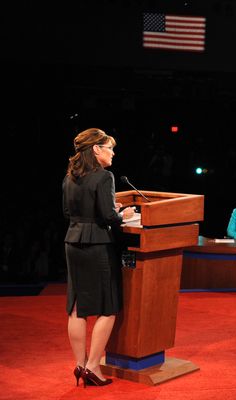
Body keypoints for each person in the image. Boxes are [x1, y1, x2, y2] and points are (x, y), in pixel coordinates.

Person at [63, 128, 135, 387]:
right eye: (109, 148)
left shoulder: (70, 176)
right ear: (96, 149)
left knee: (77, 308)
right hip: (97, 245)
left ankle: (80, 364)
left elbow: (68, 211)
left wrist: (106, 210)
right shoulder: (104, 176)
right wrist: (121, 215)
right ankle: (93, 365)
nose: (113, 153)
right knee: (108, 307)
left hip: (72, 242)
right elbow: (108, 217)